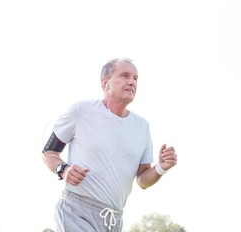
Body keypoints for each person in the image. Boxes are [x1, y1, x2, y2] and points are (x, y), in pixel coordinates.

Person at [41, 58, 177, 232]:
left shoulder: (142, 127)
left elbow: (143, 180)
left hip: (113, 220)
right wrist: (64, 169)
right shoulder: (81, 111)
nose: (131, 82)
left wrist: (161, 168)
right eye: (125, 75)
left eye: (135, 78)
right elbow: (48, 152)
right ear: (105, 83)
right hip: (76, 211)